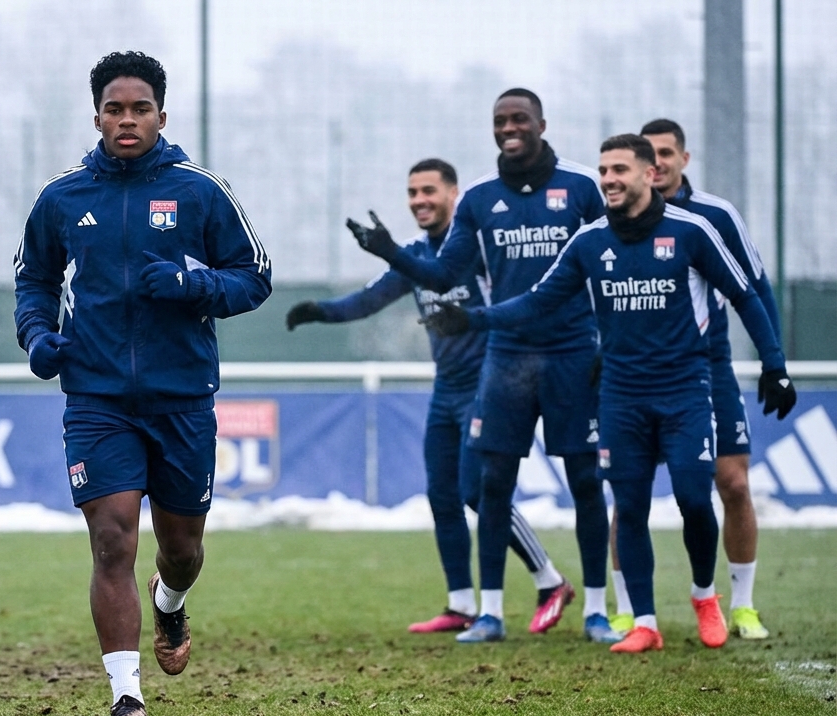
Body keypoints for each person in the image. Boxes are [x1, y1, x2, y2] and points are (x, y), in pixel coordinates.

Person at [424, 134, 795, 653]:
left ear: (648, 174)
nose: (609, 179)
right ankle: (643, 621)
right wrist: (472, 318)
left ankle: (704, 595)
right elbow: (537, 301)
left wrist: (774, 365)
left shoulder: (693, 232)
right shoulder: (589, 242)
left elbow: (745, 295)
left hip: (686, 391)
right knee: (631, 505)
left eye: (620, 169)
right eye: (603, 170)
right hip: (620, 395)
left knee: (694, 497)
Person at [13, 51, 271, 716]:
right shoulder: (63, 197)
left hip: (182, 398)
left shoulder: (200, 192)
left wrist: (194, 286)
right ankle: (126, 697)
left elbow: (254, 276)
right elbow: (33, 281)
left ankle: (172, 601)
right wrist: (38, 338)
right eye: (114, 109)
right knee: (110, 540)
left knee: (180, 547)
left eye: (140, 109)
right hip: (96, 397)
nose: (127, 120)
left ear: (162, 114)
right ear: (96, 114)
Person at [345, 89, 613, 643]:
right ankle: (487, 612)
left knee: (586, 481)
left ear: (542, 122)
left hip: (571, 354)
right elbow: (443, 275)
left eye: (519, 119)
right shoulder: (480, 201)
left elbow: (612, 267)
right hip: (508, 358)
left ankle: (595, 610)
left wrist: (609, 346)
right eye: (499, 121)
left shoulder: (583, 187)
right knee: (490, 483)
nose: (509, 128)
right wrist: (392, 250)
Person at [285, 158, 574, 636]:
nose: (420, 200)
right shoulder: (415, 259)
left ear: (454, 194)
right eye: (412, 192)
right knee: (442, 495)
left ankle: (550, 579)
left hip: (490, 383)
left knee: (478, 492)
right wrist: (319, 311)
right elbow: (369, 300)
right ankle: (460, 604)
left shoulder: (478, 251)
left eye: (429, 191)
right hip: (447, 389)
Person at [604, 119, 781, 640]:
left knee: (732, 482)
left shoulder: (712, 216)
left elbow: (753, 286)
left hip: (705, 368)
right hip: (632, 379)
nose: (655, 166)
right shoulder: (616, 216)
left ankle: (740, 605)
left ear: (684, 158)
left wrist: (776, 363)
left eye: (665, 155)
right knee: (627, 492)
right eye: (648, 157)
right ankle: (627, 608)